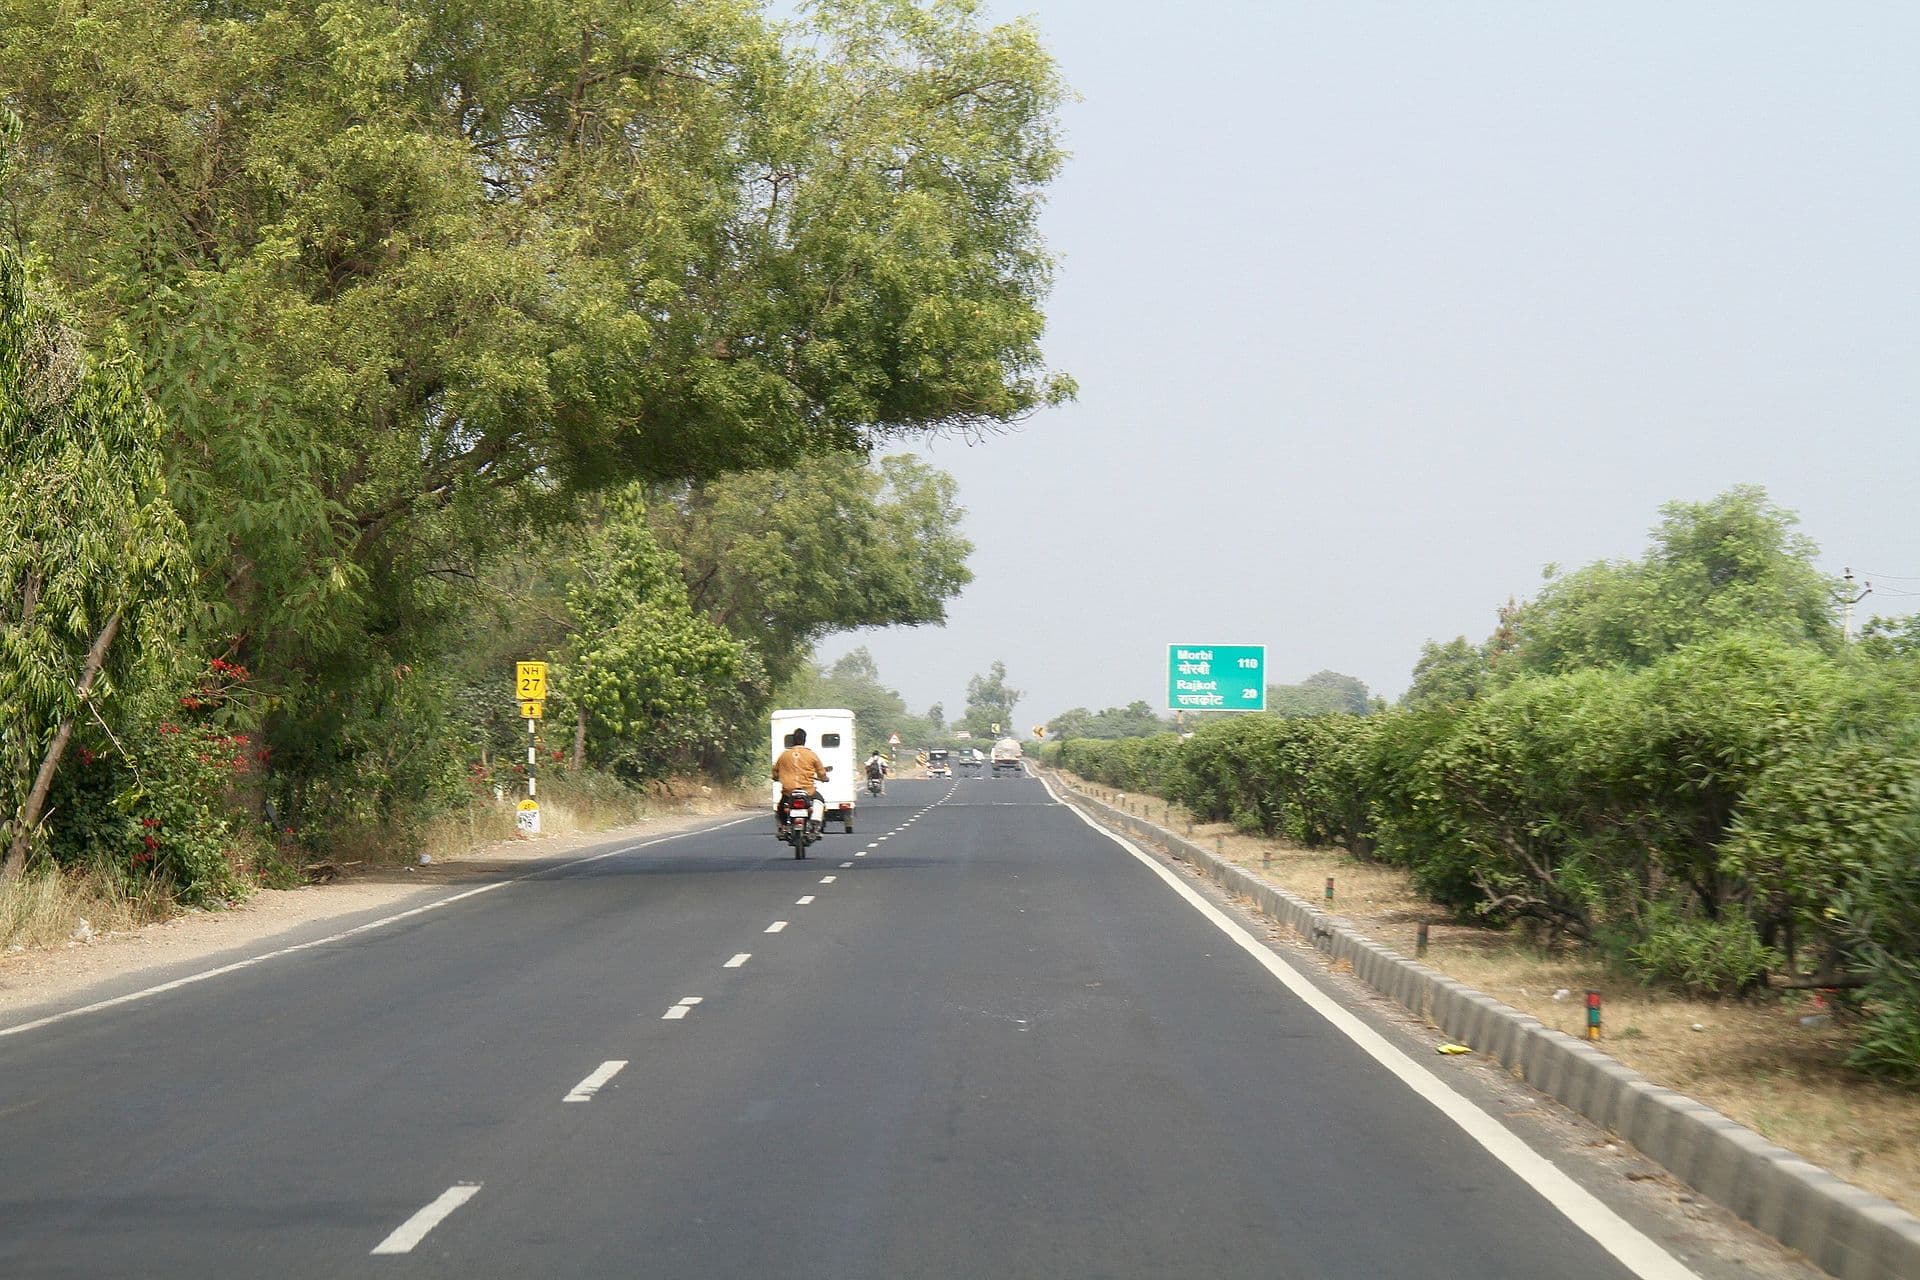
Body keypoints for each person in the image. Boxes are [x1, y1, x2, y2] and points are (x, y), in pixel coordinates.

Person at [771, 727, 831, 833]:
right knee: (820, 800)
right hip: (807, 790)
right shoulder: (811, 754)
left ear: (793, 740)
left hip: (789, 791)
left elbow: (775, 772)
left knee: (780, 807)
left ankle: (783, 827)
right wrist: (824, 778)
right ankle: (815, 825)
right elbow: (821, 772)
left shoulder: (784, 755)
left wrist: (776, 777)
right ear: (804, 740)